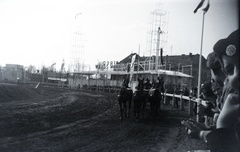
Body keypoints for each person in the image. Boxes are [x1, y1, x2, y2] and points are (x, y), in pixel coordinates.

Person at [182, 29, 240, 152]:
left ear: (213, 71)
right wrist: (211, 128)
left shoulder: (231, 91)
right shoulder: (230, 91)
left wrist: (204, 132)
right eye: (230, 70)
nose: (237, 75)